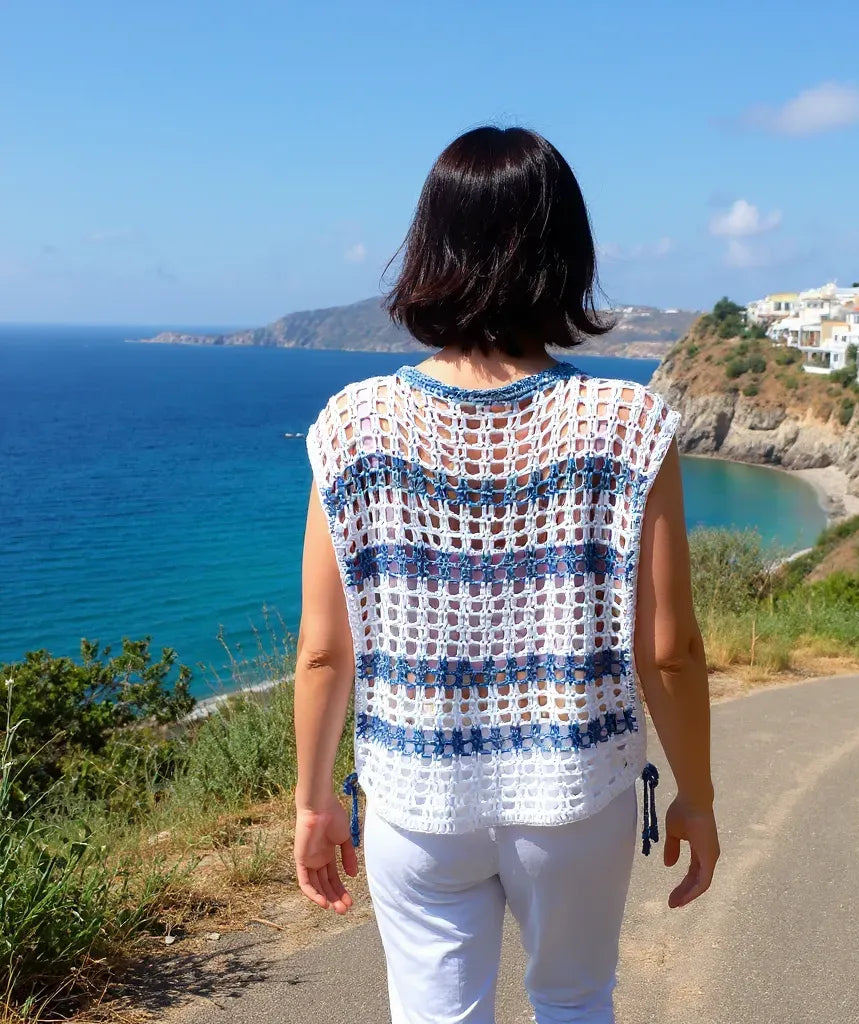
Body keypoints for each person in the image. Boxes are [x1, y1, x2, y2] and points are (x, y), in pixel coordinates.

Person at [293, 126, 718, 1024]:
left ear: (428, 250)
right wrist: (698, 798)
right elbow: (670, 650)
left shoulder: (352, 426)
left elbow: (325, 653)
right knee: (573, 1001)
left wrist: (312, 803)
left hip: (416, 797)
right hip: (576, 791)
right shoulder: (629, 423)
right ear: (568, 254)